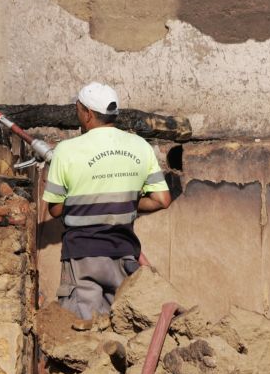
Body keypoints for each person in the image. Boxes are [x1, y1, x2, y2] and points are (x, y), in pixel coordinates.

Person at [41, 82, 173, 320]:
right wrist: (123, 199)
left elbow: (55, 209)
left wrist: (85, 198)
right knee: (120, 328)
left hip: (82, 256)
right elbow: (162, 200)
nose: (77, 114)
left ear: (88, 114)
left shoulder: (66, 150)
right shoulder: (140, 146)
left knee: (82, 331)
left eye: (78, 109)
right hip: (124, 255)